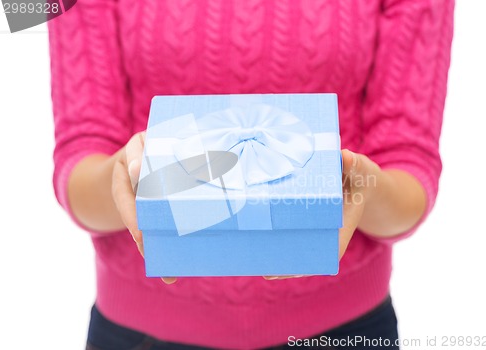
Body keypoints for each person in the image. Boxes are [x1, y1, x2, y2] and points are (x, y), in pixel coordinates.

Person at [47, 0, 454, 349]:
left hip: (347, 328)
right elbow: (79, 160)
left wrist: (359, 183)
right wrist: (123, 175)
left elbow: (409, 170)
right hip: (139, 332)